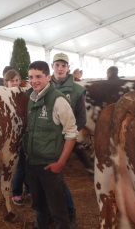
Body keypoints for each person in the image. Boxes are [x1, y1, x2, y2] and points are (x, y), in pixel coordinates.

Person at [25, 60, 78, 229]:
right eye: (31, 77)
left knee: (58, 209)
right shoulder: (32, 98)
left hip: (50, 164)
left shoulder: (58, 100)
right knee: (39, 206)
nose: (34, 81)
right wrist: (28, 152)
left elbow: (71, 134)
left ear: (48, 77)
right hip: (33, 163)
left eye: (39, 76)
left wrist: (60, 163)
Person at [51, 53, 88, 225]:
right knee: (49, 176)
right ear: (53, 67)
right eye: (57, 65)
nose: (60, 68)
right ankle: (54, 212)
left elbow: (81, 118)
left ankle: (70, 211)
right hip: (44, 139)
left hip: (63, 139)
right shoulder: (43, 85)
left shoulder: (77, 90)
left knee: (57, 176)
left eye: (63, 65)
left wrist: (69, 135)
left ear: (68, 68)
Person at [5, 70, 30, 205]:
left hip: (24, 135)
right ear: (6, 82)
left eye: (17, 80)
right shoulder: (3, 98)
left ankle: (28, 188)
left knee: (27, 163)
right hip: (13, 138)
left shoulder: (23, 95)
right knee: (20, 166)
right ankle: (16, 193)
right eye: (12, 81)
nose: (15, 83)